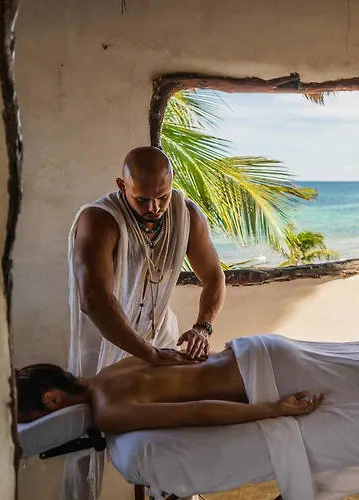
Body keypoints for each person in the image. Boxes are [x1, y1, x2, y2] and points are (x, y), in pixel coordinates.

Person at [63, 146, 226, 500]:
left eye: (162, 197)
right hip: (103, 343)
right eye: (142, 199)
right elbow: (95, 300)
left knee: (167, 430)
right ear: (122, 185)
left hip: (161, 335)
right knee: (86, 441)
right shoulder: (99, 220)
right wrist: (148, 354)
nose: (154, 207)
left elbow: (214, 276)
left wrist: (203, 327)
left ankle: (171, 494)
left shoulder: (187, 215)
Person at [16, 348, 324, 434]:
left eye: (35, 420)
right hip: (254, 350)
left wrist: (274, 409)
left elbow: (197, 411)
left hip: (266, 378)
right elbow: (180, 356)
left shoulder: (108, 413)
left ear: (52, 399)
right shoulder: (110, 370)